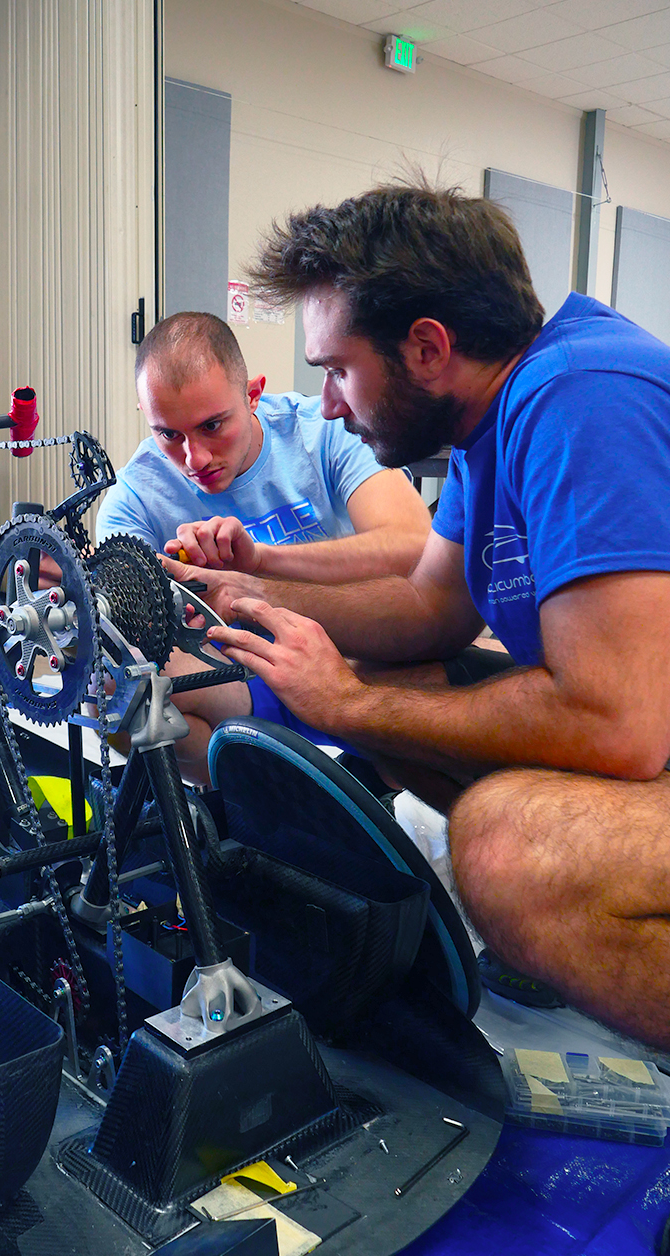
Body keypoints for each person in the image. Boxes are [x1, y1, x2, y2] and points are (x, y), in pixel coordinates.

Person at [185, 180, 670, 1050]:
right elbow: (427, 608)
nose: (329, 404)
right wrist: (249, 596)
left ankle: (564, 912)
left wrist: (350, 706)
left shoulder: (580, 397)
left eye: (338, 369)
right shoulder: (495, 419)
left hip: (646, 735)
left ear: (428, 348)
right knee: (396, 685)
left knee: (505, 850)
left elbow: (617, 722)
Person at [97, 311, 430, 782]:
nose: (194, 458)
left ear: (252, 394)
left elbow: (414, 546)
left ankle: (349, 788)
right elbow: (118, 627)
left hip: (347, 665)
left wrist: (258, 562)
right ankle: (267, 799)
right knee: (114, 691)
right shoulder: (134, 494)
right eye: (169, 434)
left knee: (443, 675)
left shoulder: (323, 432)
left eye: (213, 425)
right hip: (240, 684)